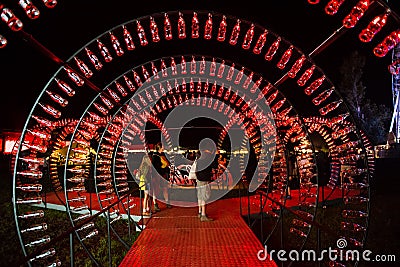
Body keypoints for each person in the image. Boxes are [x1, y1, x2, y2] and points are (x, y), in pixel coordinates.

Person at [190, 139, 218, 222]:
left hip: (199, 178)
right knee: (205, 196)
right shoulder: (209, 156)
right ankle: (203, 215)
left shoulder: (199, 155)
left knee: (200, 195)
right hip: (204, 178)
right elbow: (215, 166)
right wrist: (215, 156)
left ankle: (199, 212)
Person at [152, 142, 172, 209]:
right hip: (157, 175)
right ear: (160, 148)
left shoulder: (162, 155)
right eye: (163, 146)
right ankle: (155, 204)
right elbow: (154, 167)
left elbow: (167, 164)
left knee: (165, 189)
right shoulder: (155, 156)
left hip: (163, 175)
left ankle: (167, 202)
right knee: (156, 190)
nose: (164, 147)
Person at [137, 148, 157, 215]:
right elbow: (145, 174)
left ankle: (148, 209)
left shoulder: (146, 164)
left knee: (148, 196)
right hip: (145, 180)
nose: (151, 159)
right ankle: (144, 211)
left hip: (147, 180)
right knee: (146, 196)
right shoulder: (146, 163)